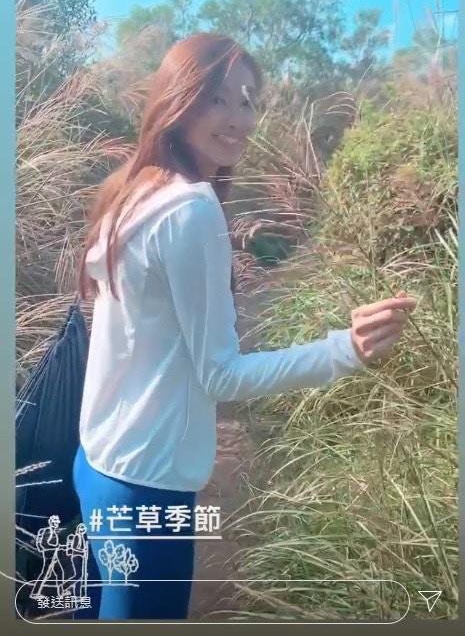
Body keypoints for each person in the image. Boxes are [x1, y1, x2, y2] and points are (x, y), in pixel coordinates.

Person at [72, 31, 417, 620]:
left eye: (247, 101)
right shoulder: (190, 208)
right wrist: (345, 350)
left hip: (98, 461)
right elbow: (222, 376)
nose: (238, 118)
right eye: (217, 99)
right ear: (179, 100)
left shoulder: (132, 190)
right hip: (147, 483)